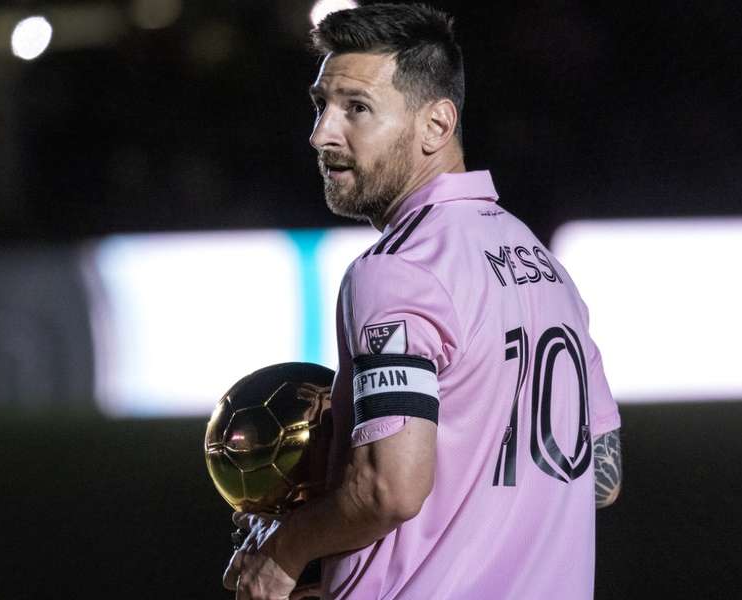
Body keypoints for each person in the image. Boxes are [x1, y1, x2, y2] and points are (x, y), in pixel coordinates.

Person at [223, 3, 622, 599]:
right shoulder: (539, 262)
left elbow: (390, 491)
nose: (322, 134)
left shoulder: (396, 271)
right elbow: (600, 474)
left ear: (436, 124)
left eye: (356, 108)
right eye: (321, 105)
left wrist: (283, 552)